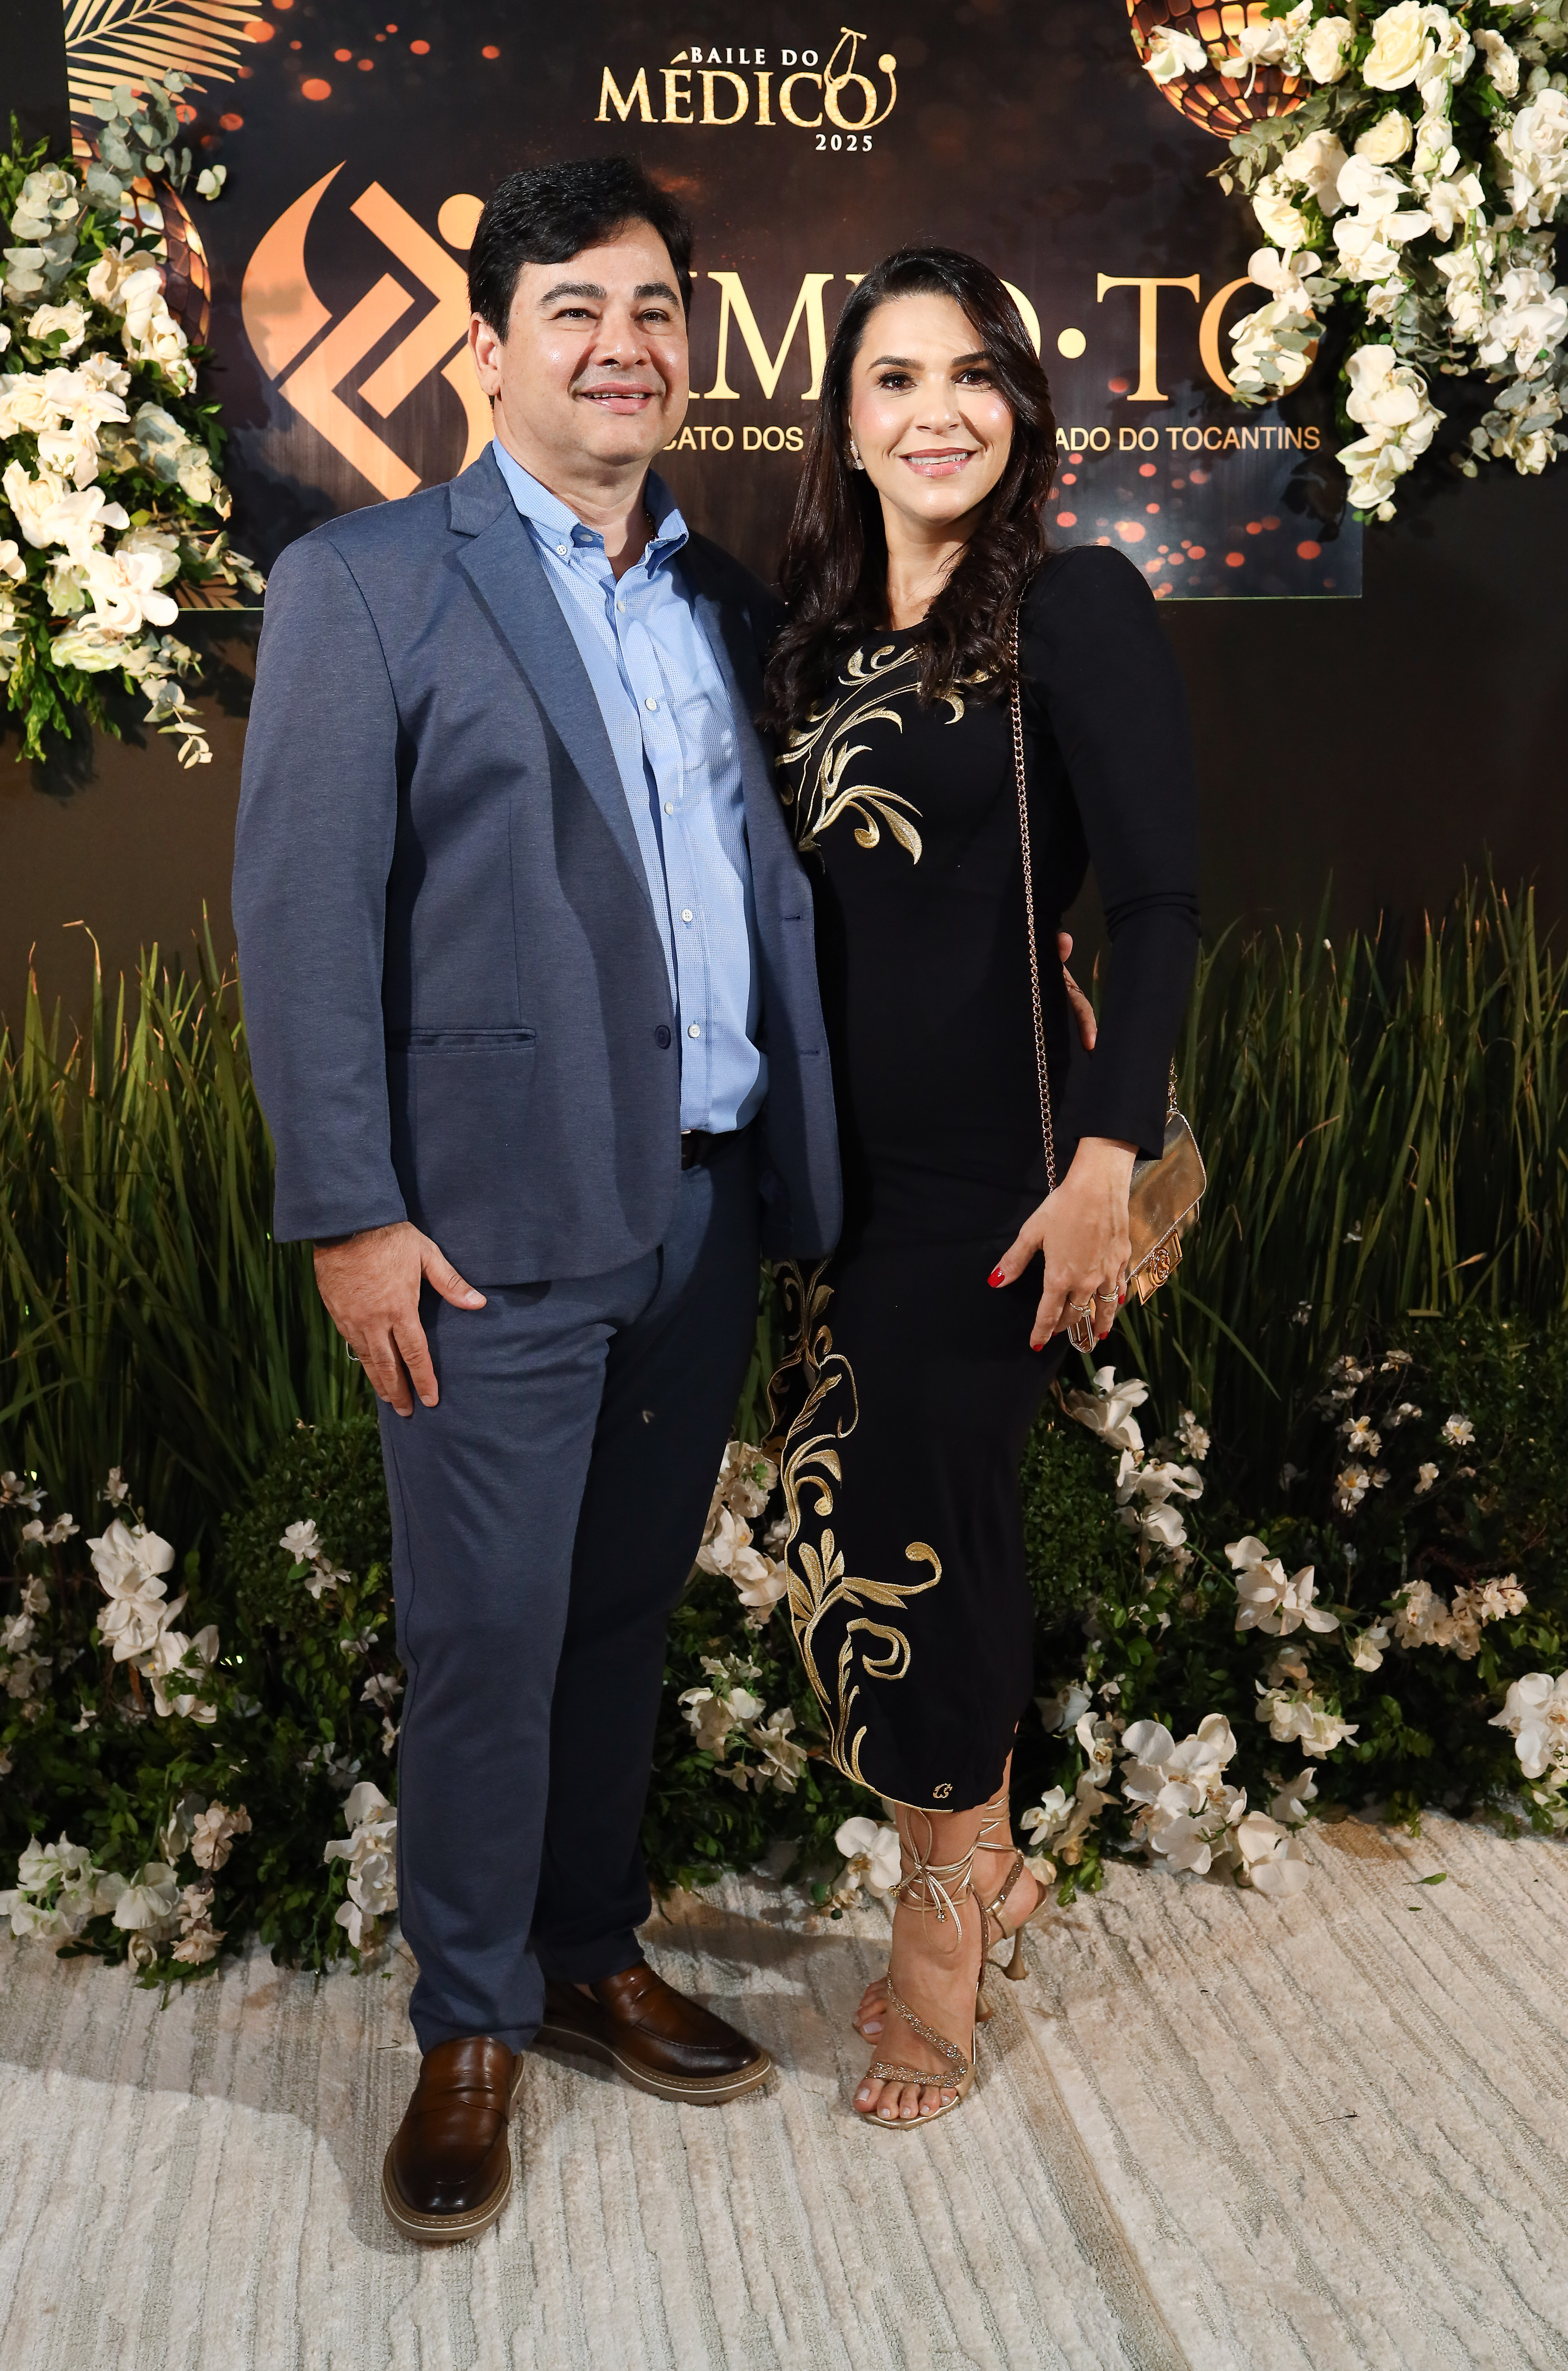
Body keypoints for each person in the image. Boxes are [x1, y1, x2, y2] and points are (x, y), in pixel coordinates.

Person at [232, 156, 842, 2245]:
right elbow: (305, 922)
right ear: (489, 347)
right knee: (488, 1630)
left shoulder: (726, 600)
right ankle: (470, 2022)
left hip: (703, 1210)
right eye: (574, 307)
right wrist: (351, 1214)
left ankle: (587, 1953)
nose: (622, 345)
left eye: (654, 308)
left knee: (620, 1609)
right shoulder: (369, 584)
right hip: (484, 1233)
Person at [763, 247, 1200, 2129]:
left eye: (973, 375)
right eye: (896, 377)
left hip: (1000, 1179)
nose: (937, 409)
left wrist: (1105, 1158)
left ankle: (943, 1930)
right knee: (852, 1529)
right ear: (847, 421)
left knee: (929, 1540)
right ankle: (987, 1864)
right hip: (830, 1178)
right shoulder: (803, 641)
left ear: (1018, 407)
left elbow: (1160, 903)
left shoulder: (1070, 606)